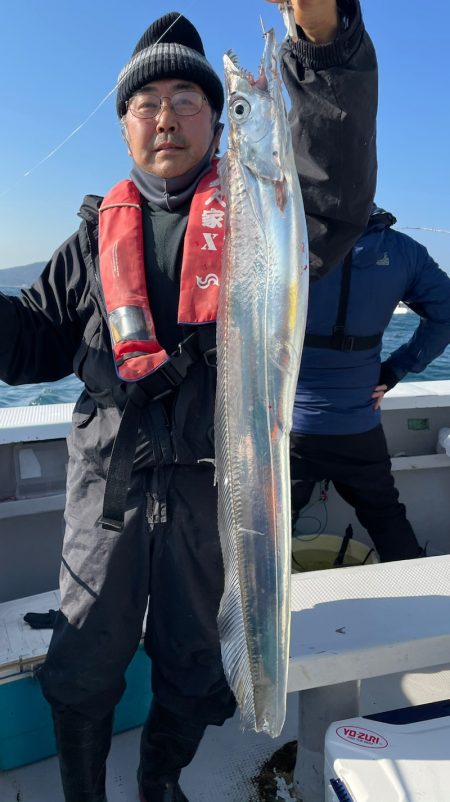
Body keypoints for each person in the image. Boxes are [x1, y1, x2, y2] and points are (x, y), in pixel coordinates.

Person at [0, 3, 377, 801]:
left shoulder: (263, 217)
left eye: (187, 100)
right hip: (108, 501)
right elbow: (28, 344)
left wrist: (327, 42)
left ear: (219, 124)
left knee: (199, 663)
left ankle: (160, 782)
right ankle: (83, 792)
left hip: (218, 501)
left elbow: (334, 188)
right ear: (125, 125)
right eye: (147, 104)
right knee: (83, 667)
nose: (165, 117)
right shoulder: (92, 239)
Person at [291, 205, 450, 562]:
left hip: (289, 429)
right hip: (358, 426)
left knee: (273, 528)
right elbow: (446, 313)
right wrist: (393, 371)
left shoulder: (286, 242)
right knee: (385, 516)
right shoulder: (404, 250)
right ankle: (415, 600)